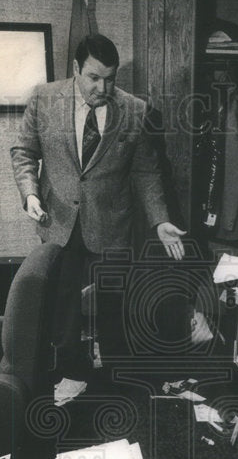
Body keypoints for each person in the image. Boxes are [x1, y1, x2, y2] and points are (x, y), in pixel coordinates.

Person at [11, 33, 185, 404]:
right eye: (93, 77)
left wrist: (159, 220)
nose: (102, 87)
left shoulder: (134, 110)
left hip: (112, 222)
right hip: (59, 219)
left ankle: (115, 384)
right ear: (76, 69)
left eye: (110, 78)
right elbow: (24, 151)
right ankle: (71, 373)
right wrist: (30, 193)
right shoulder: (44, 99)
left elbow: (145, 173)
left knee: (114, 306)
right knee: (64, 306)